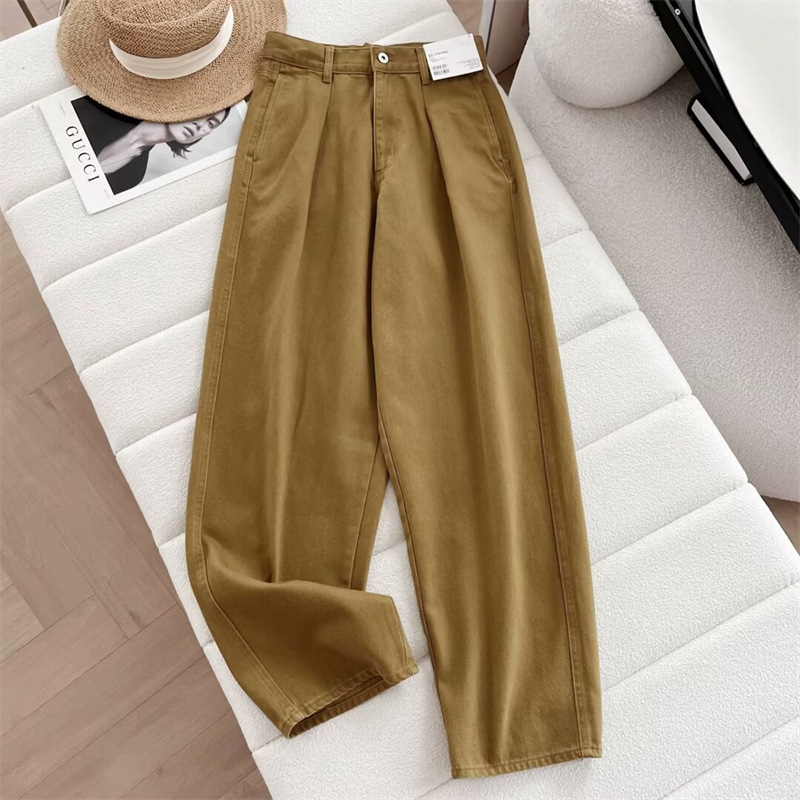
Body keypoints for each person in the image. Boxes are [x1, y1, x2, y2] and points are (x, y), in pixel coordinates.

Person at [72, 96, 231, 194]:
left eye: (211, 124)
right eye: (201, 112)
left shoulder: (134, 176)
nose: (200, 124)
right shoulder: (107, 108)